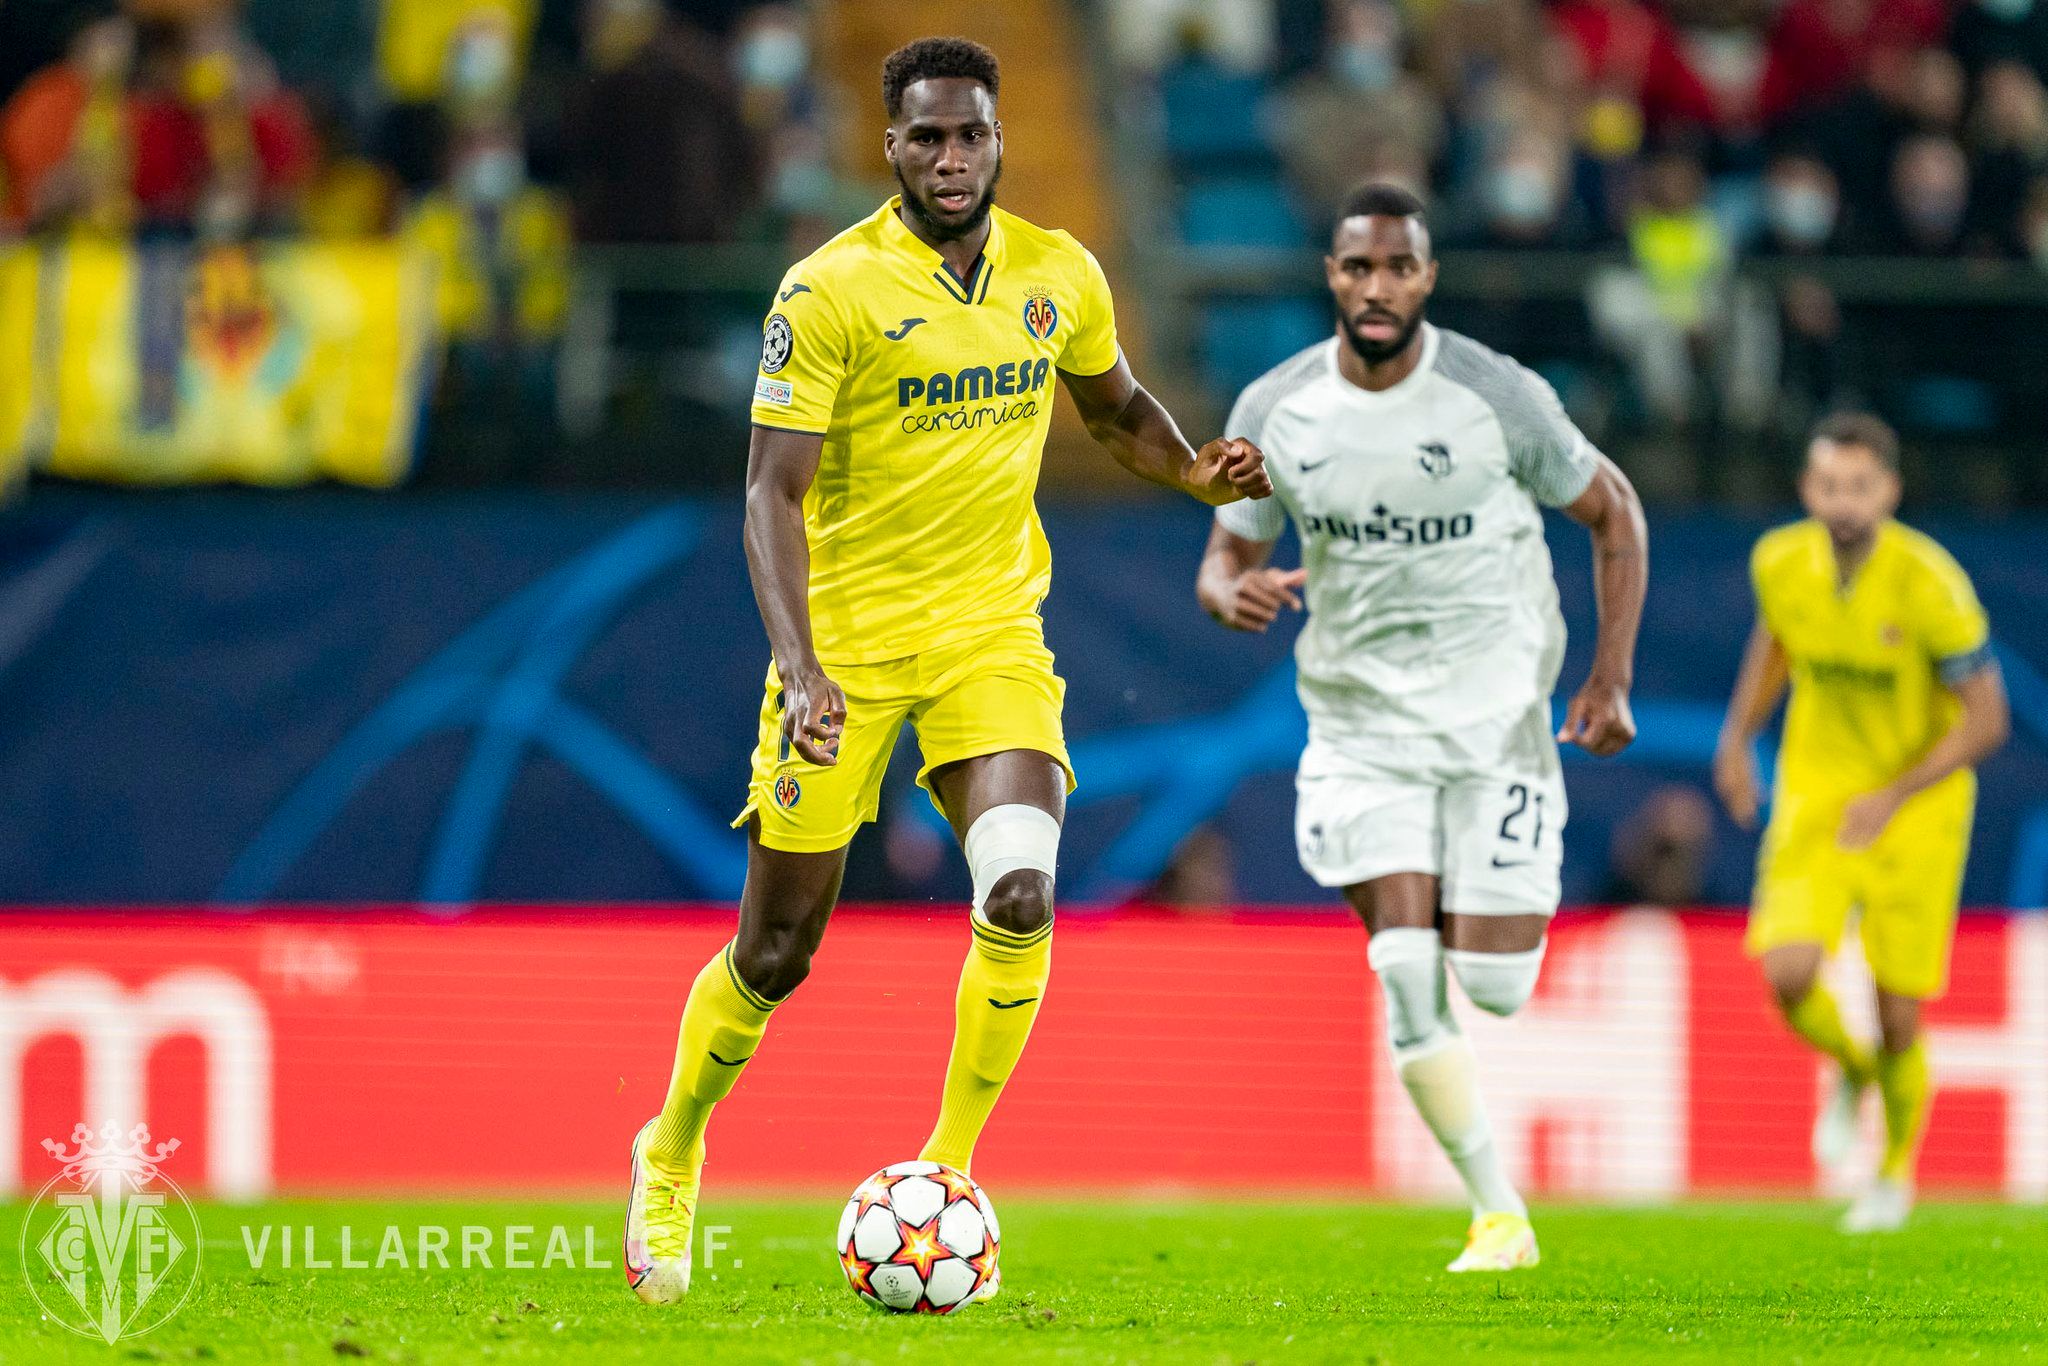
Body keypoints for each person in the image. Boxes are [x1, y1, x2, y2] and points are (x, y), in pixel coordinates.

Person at [623, 36, 1272, 1304]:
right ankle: (672, 1142)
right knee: (776, 952)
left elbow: (1114, 409)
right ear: (891, 146)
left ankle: (946, 1172)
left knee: (1019, 894)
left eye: (969, 134)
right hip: (846, 652)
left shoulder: (1057, 272)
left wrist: (1193, 464)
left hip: (989, 635)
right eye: (926, 137)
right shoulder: (827, 293)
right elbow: (769, 492)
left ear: (996, 139)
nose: (951, 157)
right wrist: (800, 668)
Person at [1194, 181, 1648, 1272]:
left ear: (1427, 278)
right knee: (1403, 966)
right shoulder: (1273, 407)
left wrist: (1609, 677)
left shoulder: (1497, 396)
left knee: (1491, 984)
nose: (1377, 286)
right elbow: (1225, 552)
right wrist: (1225, 591)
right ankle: (1499, 1214)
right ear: (1332, 277)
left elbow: (1613, 510)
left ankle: (1470, 883)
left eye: (1398, 267)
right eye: (1358, 267)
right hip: (1357, 723)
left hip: (1495, 722)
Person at [1713, 413, 2009, 1234]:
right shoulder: (1780, 561)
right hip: (1817, 792)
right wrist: (1737, 739)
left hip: (1917, 809)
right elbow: (1776, 642)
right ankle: (1853, 1071)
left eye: (1861, 486)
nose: (1844, 502)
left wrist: (1895, 794)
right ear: (1808, 490)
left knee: (1898, 1011)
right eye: (1830, 485)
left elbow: (1988, 719)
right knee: (1789, 973)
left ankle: (1892, 1174)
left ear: (1891, 491)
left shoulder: (1931, 585)